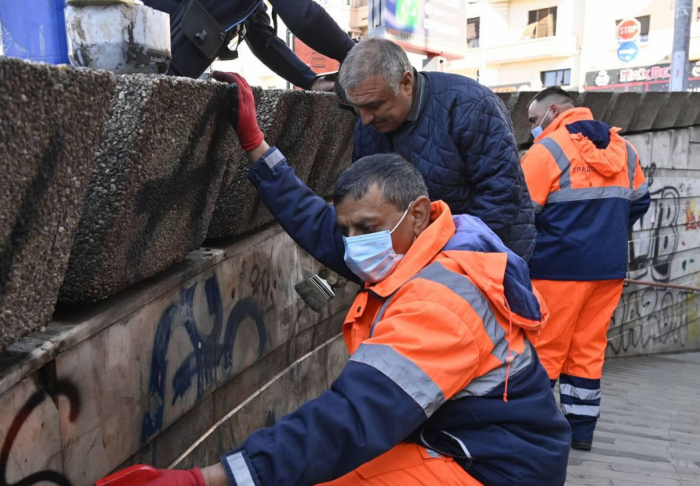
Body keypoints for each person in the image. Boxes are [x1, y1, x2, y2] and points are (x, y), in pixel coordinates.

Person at [102, 72, 571, 486]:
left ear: (416, 213)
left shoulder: (439, 302)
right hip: (481, 441)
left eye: (365, 228)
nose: (352, 246)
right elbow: (320, 225)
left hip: (501, 466)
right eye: (348, 230)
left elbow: (348, 421)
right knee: (340, 470)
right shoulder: (436, 242)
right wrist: (257, 147)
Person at [521, 87, 651, 451]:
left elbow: (520, 211)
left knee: (545, 347)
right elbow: (640, 202)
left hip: (555, 269)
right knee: (588, 349)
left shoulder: (547, 150)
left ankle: (536, 429)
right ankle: (580, 430)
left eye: (534, 120)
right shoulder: (624, 149)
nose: (533, 127)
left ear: (555, 110)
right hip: (608, 268)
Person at [335, 38, 535, 261]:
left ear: (406, 83)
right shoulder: (369, 125)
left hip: (487, 256)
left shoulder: (470, 105)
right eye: (357, 107)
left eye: (374, 105)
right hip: (416, 261)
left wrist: (444, 259)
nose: (364, 119)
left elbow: (501, 194)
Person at [144, 0, 354, 90]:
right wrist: (354, 54)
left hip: (163, 63)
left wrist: (309, 81)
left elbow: (261, 36)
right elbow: (305, 17)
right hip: (146, 54)